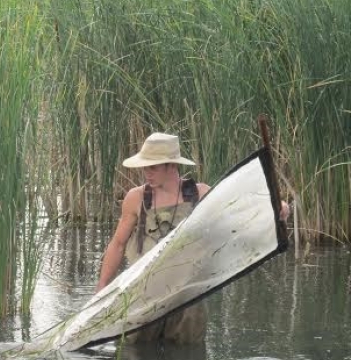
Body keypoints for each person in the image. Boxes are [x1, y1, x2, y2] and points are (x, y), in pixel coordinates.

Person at [95, 132, 288, 344]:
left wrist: (275, 210)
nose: (146, 173)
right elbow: (118, 244)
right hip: (143, 298)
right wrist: (102, 288)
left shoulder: (201, 195)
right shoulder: (136, 198)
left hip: (188, 302)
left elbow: (239, 220)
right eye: (144, 167)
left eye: (153, 167)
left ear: (172, 166)